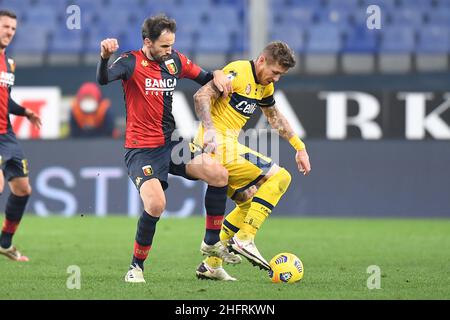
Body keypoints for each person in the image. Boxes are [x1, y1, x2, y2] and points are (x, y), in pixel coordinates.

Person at [96, 14, 242, 283]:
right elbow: (103, 79)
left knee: (219, 174)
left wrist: (220, 74)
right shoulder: (129, 62)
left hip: (171, 144)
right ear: (147, 42)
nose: (169, 51)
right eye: (164, 46)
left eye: (172, 45)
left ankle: (211, 243)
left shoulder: (175, 61)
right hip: (141, 149)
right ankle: (135, 268)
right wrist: (104, 56)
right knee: (155, 204)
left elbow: (206, 77)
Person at [193, 41, 311, 279]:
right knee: (280, 176)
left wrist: (300, 147)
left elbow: (275, 117)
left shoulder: (265, 87)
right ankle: (245, 239)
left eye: (281, 75)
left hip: (227, 147)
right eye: (275, 72)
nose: (276, 78)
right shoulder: (236, 72)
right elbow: (200, 95)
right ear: (261, 61)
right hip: (216, 146)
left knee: (248, 203)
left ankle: (212, 265)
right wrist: (210, 129)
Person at [0, 10, 42, 262]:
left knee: (23, 189)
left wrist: (25, 111)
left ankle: (5, 242)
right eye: (5, 27)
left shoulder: (9, 63)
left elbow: (6, 99)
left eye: (13, 29)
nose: (9, 32)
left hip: (7, 135)